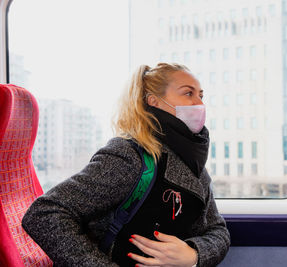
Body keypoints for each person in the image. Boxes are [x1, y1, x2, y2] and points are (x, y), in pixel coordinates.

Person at [22, 63, 230, 267]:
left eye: (201, 96)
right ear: (154, 102)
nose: (199, 103)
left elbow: (217, 230)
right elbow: (45, 213)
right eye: (188, 94)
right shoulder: (130, 156)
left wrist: (193, 254)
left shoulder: (196, 167)